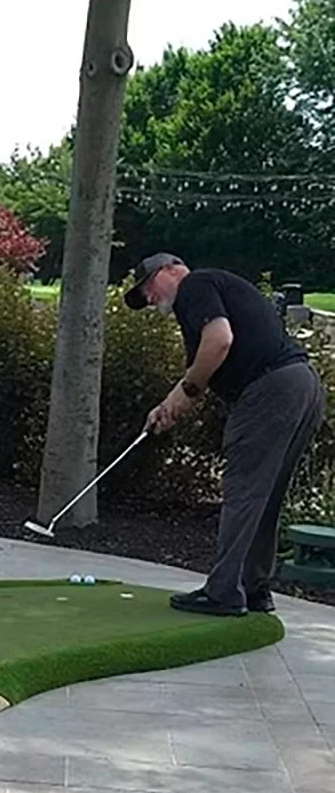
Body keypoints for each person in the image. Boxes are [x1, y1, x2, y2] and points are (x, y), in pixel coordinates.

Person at [125, 253, 326, 615]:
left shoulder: (195, 285)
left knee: (244, 490)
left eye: (148, 287)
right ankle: (253, 589)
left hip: (268, 390)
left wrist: (184, 393)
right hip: (301, 384)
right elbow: (202, 369)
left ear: (170, 269)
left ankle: (223, 592)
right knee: (265, 495)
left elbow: (219, 340)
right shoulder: (210, 290)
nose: (149, 298)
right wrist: (171, 405)